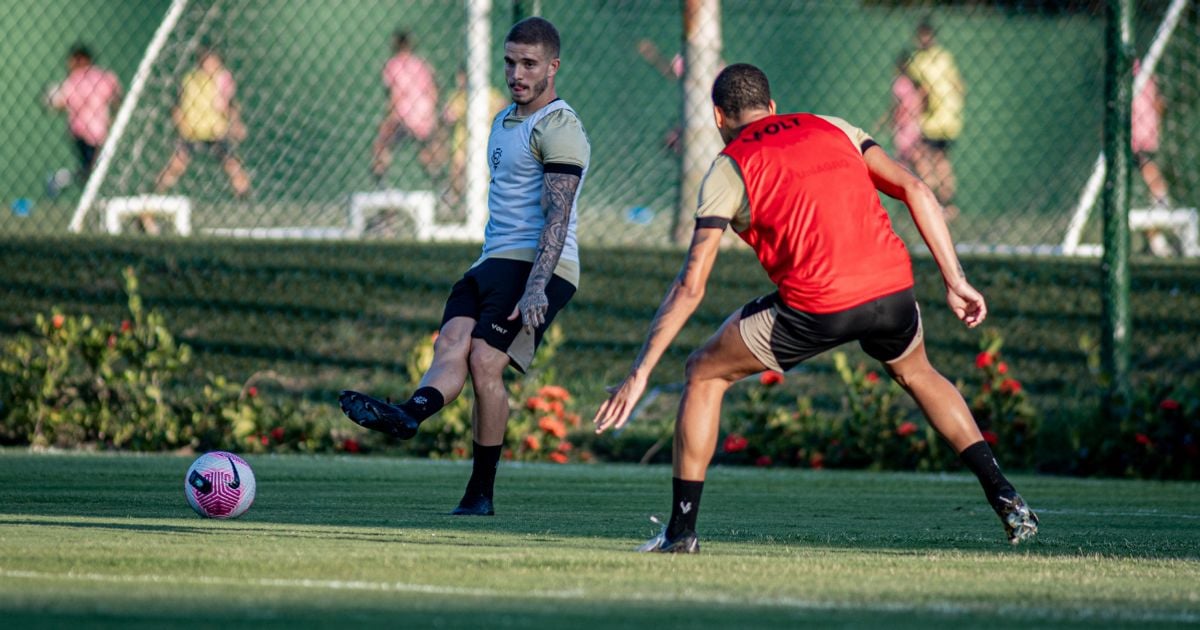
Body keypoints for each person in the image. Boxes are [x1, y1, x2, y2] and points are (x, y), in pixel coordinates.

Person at [592, 63, 1037, 553]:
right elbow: (917, 188)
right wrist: (956, 281)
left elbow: (691, 285)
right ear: (773, 106)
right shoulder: (834, 127)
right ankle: (1005, 495)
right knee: (920, 374)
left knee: (703, 371)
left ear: (719, 117)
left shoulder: (729, 164)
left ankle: (680, 533)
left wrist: (640, 372)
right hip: (892, 288)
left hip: (818, 304)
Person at [340, 17, 590, 517]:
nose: (516, 73)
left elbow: (558, 215)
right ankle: (410, 415)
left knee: (484, 362)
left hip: (542, 266)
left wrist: (538, 285)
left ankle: (481, 493)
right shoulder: (502, 121)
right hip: (490, 262)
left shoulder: (560, 126)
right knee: (451, 345)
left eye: (529, 64)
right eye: (509, 61)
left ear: (553, 67)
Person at [156, 46, 251, 199]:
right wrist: (181, 124)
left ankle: (245, 197)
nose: (212, 65)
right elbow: (176, 107)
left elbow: (231, 105)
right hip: (192, 131)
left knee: (232, 164)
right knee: (176, 165)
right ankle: (153, 195)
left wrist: (236, 124)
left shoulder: (223, 79)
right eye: (208, 61)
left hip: (216, 131)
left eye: (215, 62)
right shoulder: (190, 79)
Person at [906, 20, 964, 219]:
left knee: (932, 160)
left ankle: (939, 204)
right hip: (937, 118)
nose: (925, 39)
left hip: (938, 119)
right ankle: (942, 205)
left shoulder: (929, 59)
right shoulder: (930, 58)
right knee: (936, 160)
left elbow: (924, 91)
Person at [46, 44, 122, 190]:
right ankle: (64, 179)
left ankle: (62, 178)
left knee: (93, 171)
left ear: (80, 59)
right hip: (101, 131)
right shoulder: (105, 77)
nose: (69, 64)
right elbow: (117, 99)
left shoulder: (74, 80)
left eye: (72, 60)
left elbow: (60, 102)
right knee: (93, 171)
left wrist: (51, 100)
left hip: (83, 133)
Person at [371, 30, 439, 185]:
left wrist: (390, 115)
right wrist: (432, 114)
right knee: (426, 148)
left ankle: (380, 175)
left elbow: (396, 94)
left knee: (382, 143)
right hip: (424, 113)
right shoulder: (422, 64)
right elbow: (432, 91)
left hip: (403, 114)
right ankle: (436, 177)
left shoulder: (393, 64)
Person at [1131, 59, 1173, 257]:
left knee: (1151, 184)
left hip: (1145, 139)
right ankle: (1156, 240)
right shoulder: (1129, 70)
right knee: (1149, 188)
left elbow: (1158, 104)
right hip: (1134, 140)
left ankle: (1156, 238)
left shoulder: (1149, 70)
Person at [875, 50, 922, 170]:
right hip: (915, 125)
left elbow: (895, 106)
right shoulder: (915, 83)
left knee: (903, 162)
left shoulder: (900, 83)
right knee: (917, 161)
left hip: (904, 127)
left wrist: (884, 122)